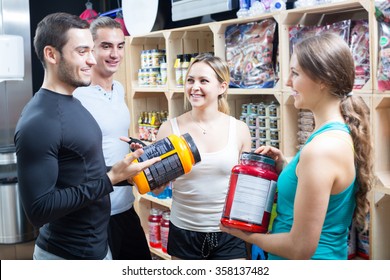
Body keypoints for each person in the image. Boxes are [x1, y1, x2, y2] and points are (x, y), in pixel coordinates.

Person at [14, 12, 160, 260]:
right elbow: (39, 209)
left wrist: (129, 174)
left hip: (97, 248)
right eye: (83, 51)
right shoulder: (38, 121)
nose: (92, 61)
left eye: (92, 51)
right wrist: (111, 178)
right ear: (51, 54)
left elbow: (81, 171)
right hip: (66, 257)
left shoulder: (71, 102)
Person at [220, 32, 374, 260]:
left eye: (295, 73)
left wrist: (243, 234)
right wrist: (288, 167)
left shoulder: (322, 149)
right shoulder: (333, 134)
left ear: (324, 79)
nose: (288, 82)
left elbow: (300, 248)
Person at [155, 53, 252, 259]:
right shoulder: (169, 129)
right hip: (184, 231)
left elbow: (246, 188)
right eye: (190, 80)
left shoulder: (239, 129)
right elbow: (158, 186)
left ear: (222, 87)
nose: (194, 87)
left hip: (229, 232)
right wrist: (149, 176)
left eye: (203, 81)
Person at [73, 16, 151, 260]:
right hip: (94, 212)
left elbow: (112, 136)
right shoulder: (77, 96)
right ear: (91, 48)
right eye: (106, 46)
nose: (114, 53)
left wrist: (134, 145)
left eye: (119, 46)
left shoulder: (119, 89)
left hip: (125, 206)